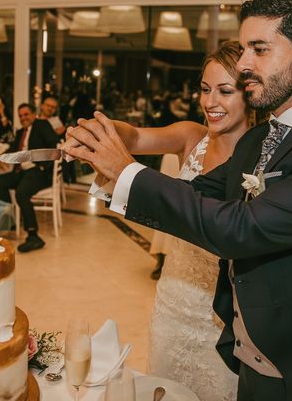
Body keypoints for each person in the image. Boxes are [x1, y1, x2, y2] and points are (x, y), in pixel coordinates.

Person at [65, 0, 292, 401]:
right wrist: (112, 169)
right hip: (248, 355)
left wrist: (127, 170)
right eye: (245, 48)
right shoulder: (259, 138)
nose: (245, 64)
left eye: (260, 49)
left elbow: (242, 228)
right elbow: (194, 196)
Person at [94, 41, 248, 400]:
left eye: (225, 91)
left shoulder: (262, 157)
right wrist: (102, 128)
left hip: (223, 315)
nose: (210, 102)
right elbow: (133, 136)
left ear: (250, 94)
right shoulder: (191, 136)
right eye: (205, 89)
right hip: (172, 300)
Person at [0, 103, 60, 253]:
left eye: (26, 114)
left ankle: (33, 236)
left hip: (40, 171)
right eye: (20, 116)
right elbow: (13, 148)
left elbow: (54, 145)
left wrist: (43, 165)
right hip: (24, 172)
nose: (23, 118)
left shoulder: (42, 125)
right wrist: (2, 157)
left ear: (33, 114)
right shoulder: (20, 132)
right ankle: (11, 220)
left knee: (21, 193)